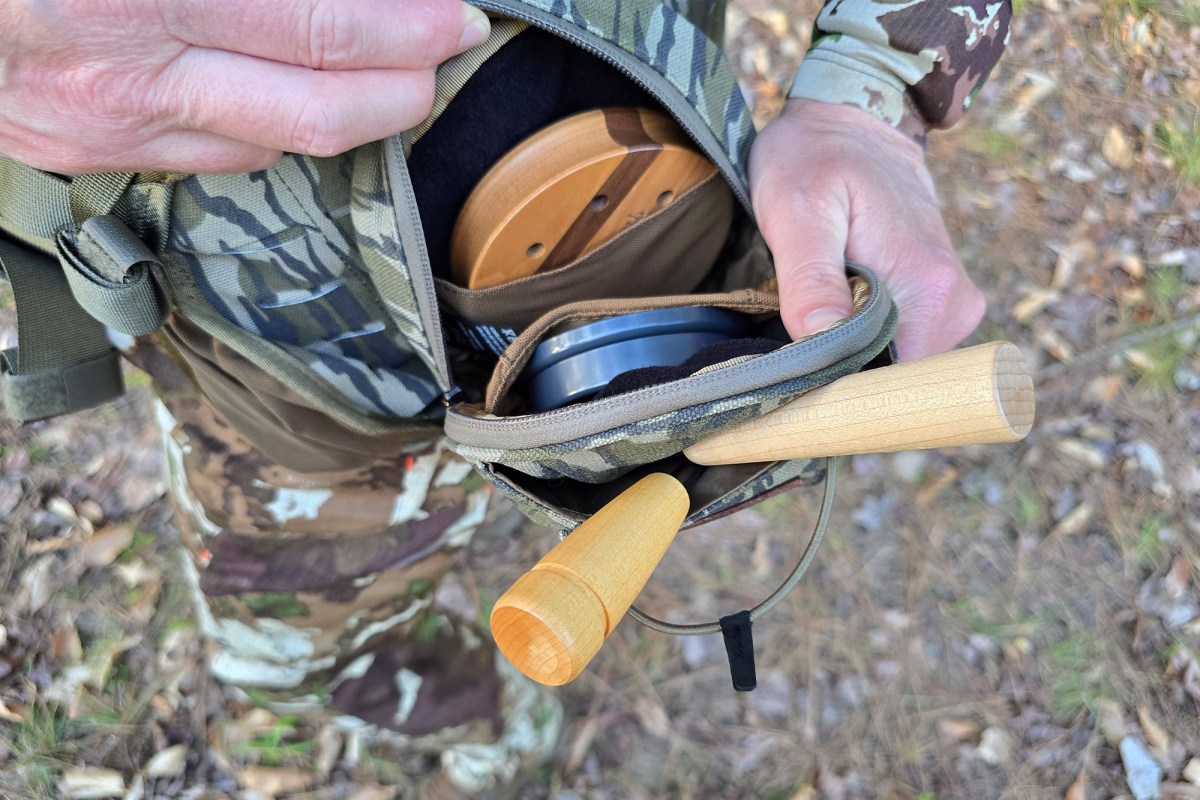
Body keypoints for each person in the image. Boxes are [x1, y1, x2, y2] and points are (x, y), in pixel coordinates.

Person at [0, 0, 1011, 795]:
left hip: (653, 222)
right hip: (281, 381)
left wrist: (875, 86)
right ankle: (487, 720)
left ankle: (502, 731)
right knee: (301, 664)